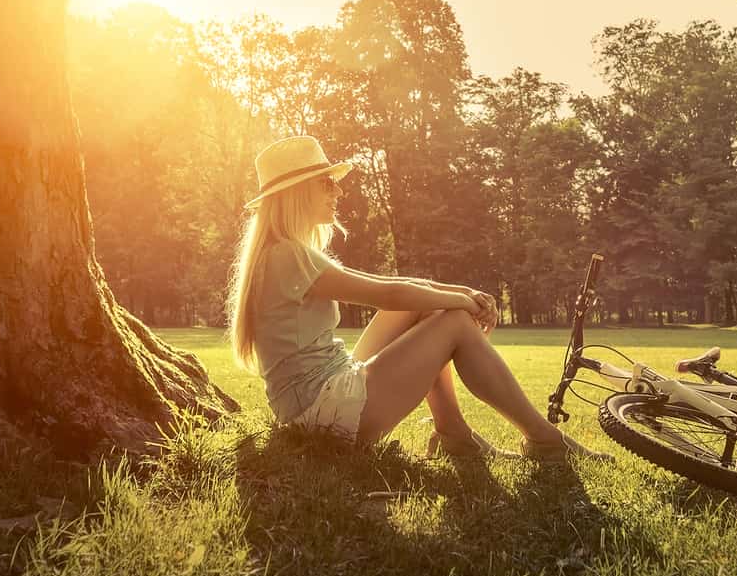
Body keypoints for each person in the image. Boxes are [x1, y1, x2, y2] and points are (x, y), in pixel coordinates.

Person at [226, 135, 608, 461]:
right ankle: (544, 440)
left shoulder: (281, 253)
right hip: (321, 410)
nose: (338, 191)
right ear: (297, 193)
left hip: (314, 400)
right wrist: (464, 305)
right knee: (453, 322)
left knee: (421, 304)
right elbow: (385, 293)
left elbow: (395, 286)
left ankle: (453, 436)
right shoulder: (287, 256)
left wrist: (460, 292)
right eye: (326, 182)